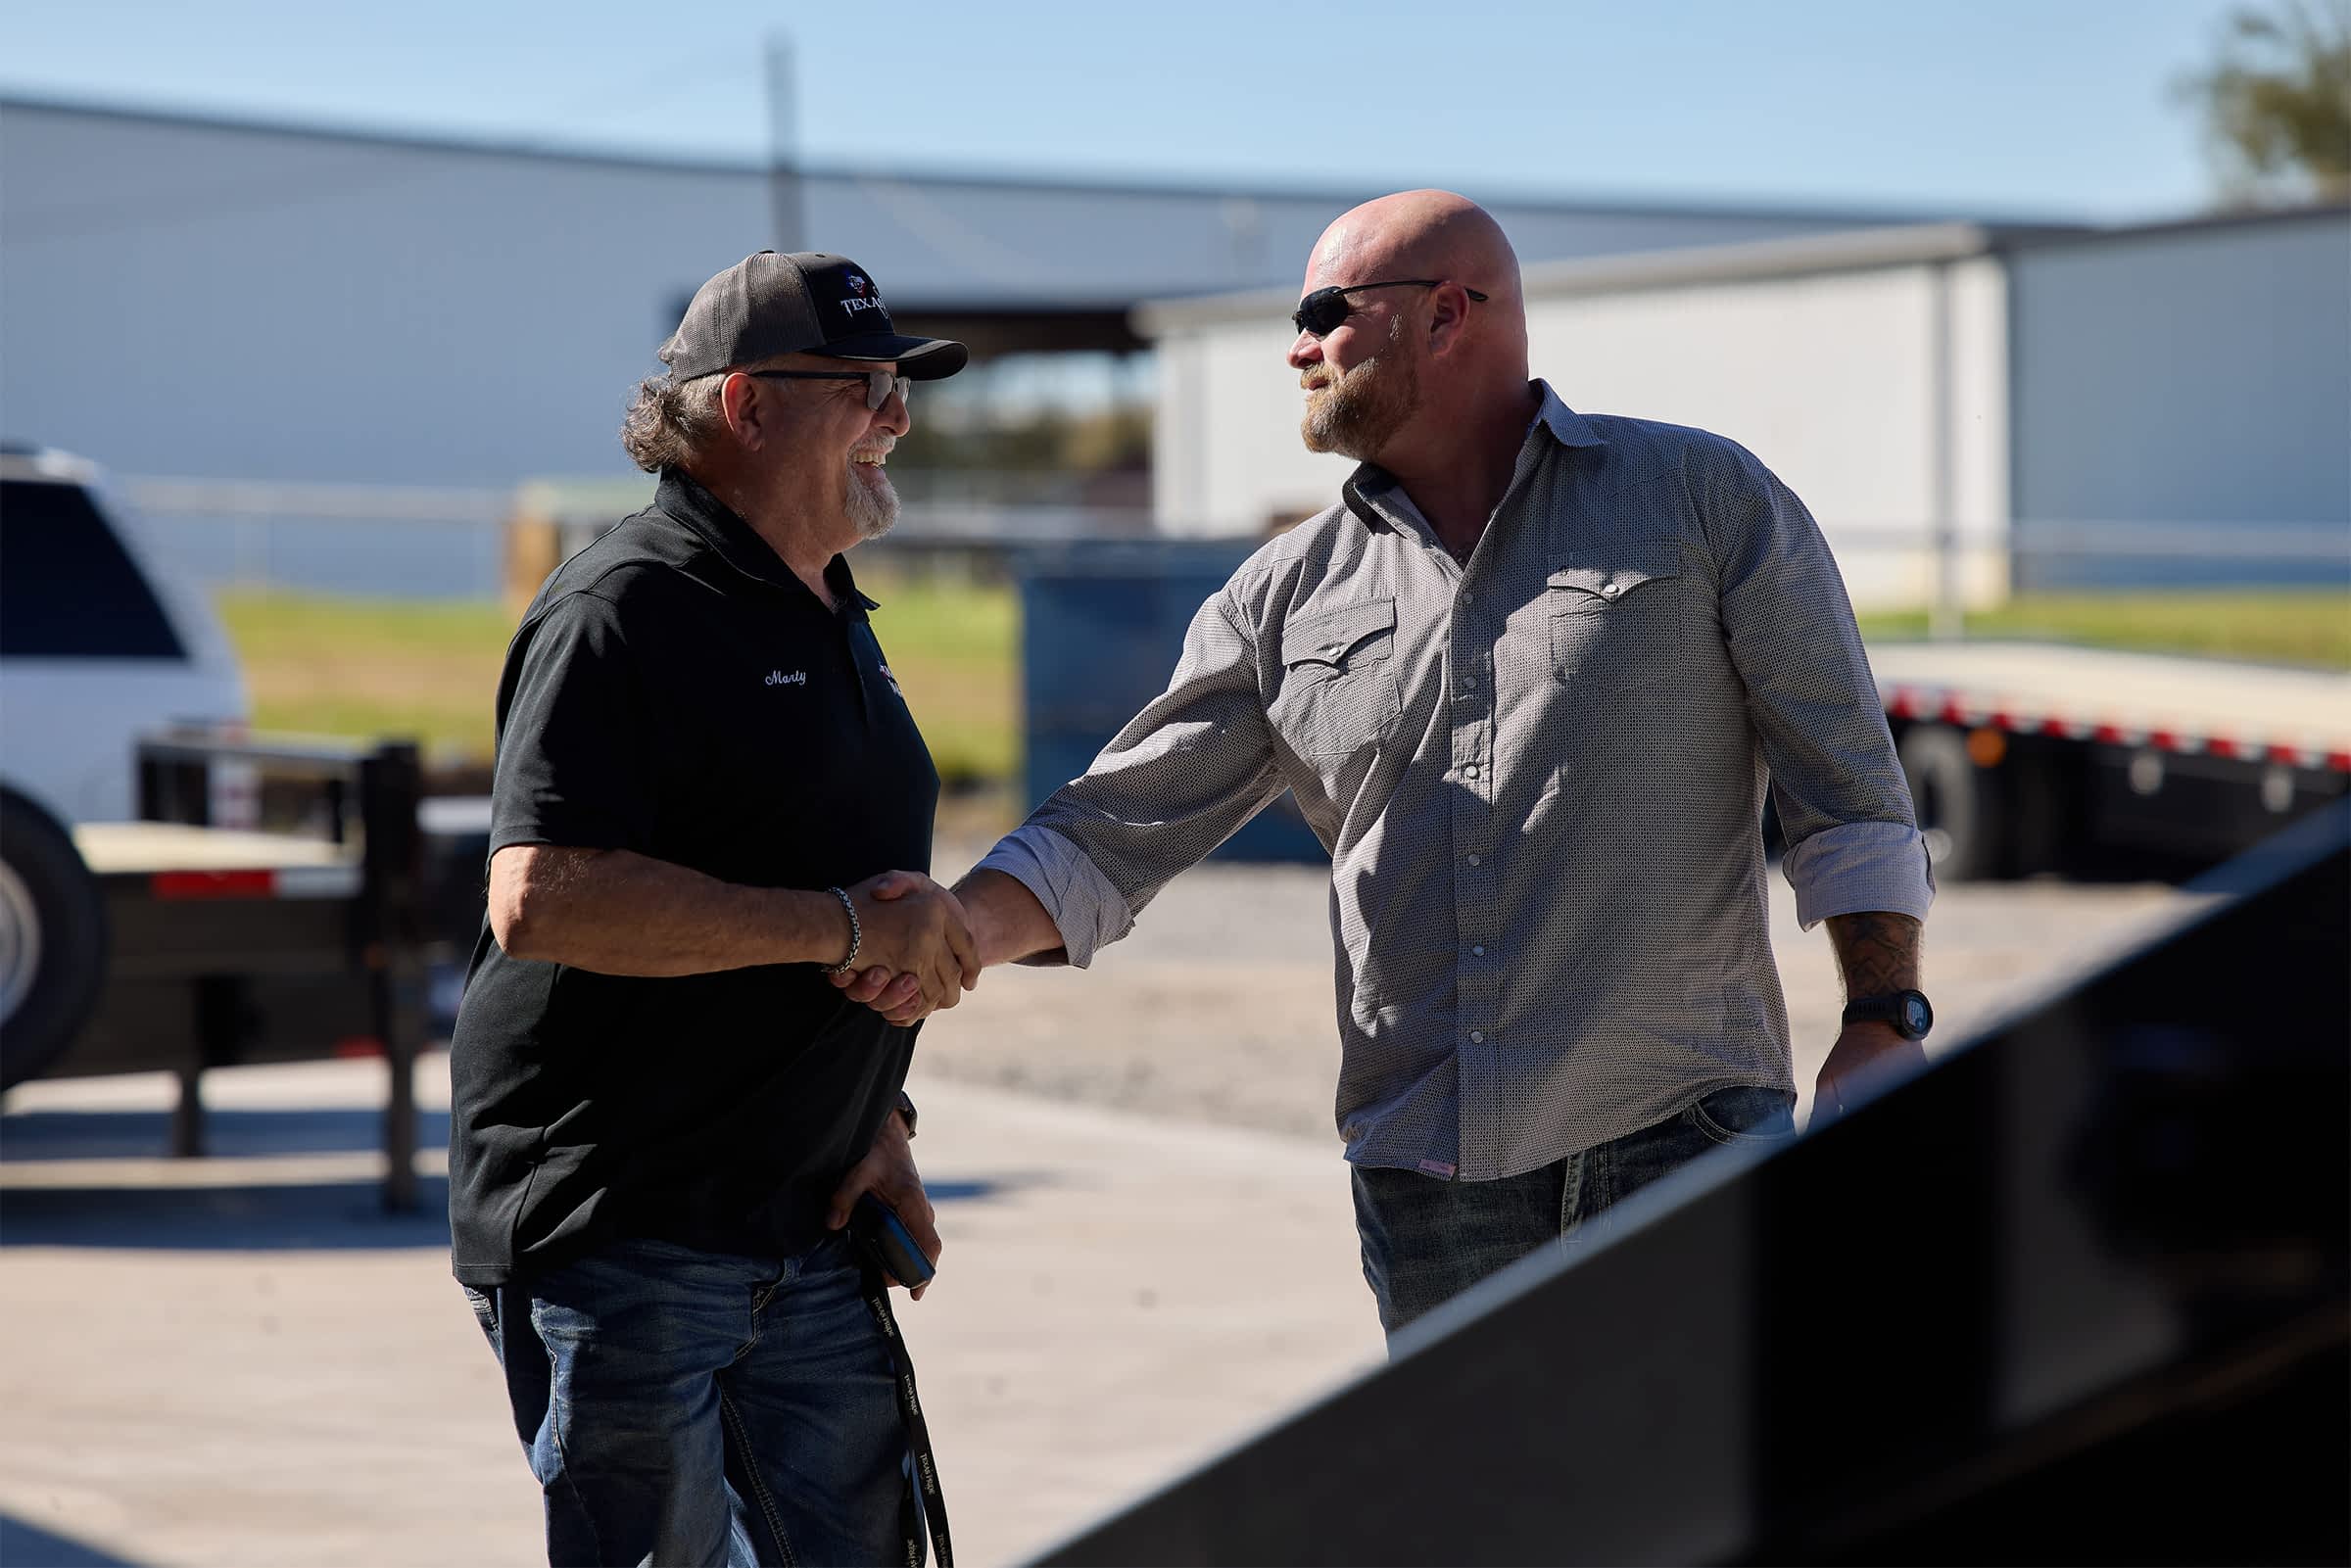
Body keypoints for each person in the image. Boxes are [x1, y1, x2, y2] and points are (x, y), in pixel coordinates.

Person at [839, 192, 1938, 1340]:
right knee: (1478, 1523)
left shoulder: (1702, 503)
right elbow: (1112, 832)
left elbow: (1847, 785)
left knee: (1701, 1512)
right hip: (1427, 1190)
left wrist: (1883, 1017)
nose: (1296, 345)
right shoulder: (1281, 595)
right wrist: (940, 935)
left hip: (1683, 1143)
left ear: (1448, 315)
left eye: (1325, 310)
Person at [448, 250, 979, 1565]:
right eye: (865, 384)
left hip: (802, 1222)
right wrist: (847, 925)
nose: (897, 415)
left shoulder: (833, 612)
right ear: (746, 408)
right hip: (627, 1231)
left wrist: (879, 1115)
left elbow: (801, 874)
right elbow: (541, 895)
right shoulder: (629, 605)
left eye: (900, 387)